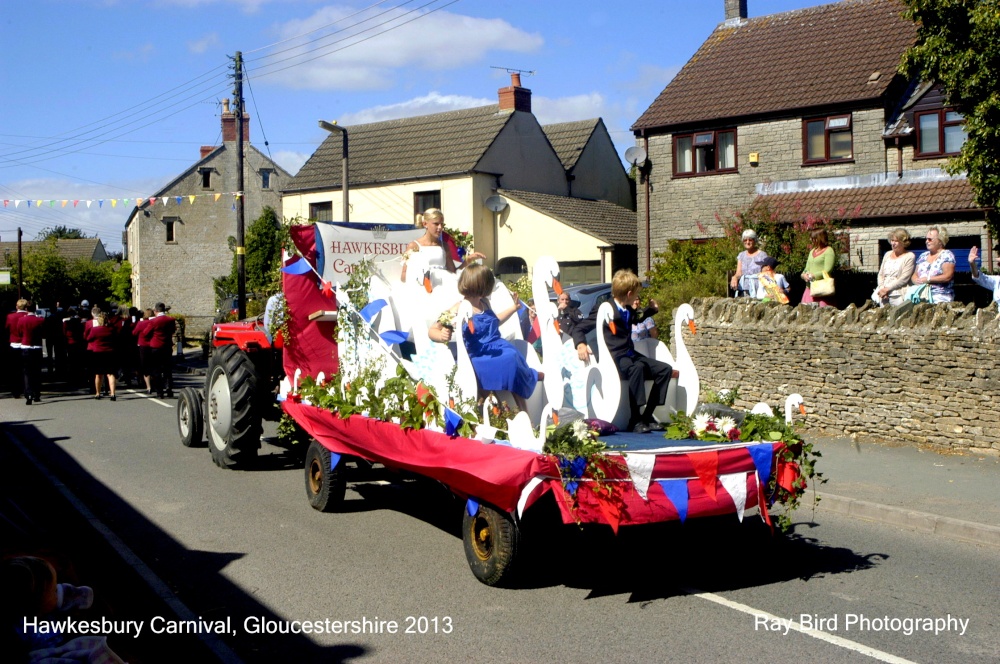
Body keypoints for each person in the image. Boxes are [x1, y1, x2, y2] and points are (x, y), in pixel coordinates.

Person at [571, 269, 676, 434]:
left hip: (630, 355)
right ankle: (634, 420)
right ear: (629, 294)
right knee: (637, 369)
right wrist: (580, 345)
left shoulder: (627, 308)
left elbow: (635, 318)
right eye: (636, 294)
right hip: (614, 358)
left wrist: (651, 310)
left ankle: (647, 416)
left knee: (665, 370)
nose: (637, 298)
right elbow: (580, 328)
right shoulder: (604, 308)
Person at [432, 264, 541, 411]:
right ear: (482, 286)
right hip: (477, 353)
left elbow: (494, 321)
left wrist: (514, 308)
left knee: (512, 354)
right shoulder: (459, 307)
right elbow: (432, 330)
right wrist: (441, 335)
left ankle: (524, 410)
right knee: (508, 359)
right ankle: (529, 379)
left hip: (496, 346)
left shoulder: (485, 303)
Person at [0, 555, 125, 663]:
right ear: (35, 606)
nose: (59, 590)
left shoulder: (40, 609)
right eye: (54, 591)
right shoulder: (26, 635)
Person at [399, 208, 485, 283]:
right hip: (423, 287)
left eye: (442, 224)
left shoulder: (444, 246)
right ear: (425, 224)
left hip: (444, 286)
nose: (440, 227)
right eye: (436, 224)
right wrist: (420, 274)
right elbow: (403, 276)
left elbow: (453, 272)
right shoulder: (414, 246)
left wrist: (468, 261)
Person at [911, 226, 956, 302]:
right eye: (926, 239)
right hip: (921, 295)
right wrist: (916, 280)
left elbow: (947, 276)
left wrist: (928, 279)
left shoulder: (947, 255)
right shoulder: (923, 256)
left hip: (940, 296)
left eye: (930, 239)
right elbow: (914, 274)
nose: (926, 241)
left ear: (940, 241)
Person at [84, 306, 118, 401]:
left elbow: (88, 338)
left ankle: (98, 393)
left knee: (98, 374)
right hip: (109, 352)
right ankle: (112, 393)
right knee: (110, 374)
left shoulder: (95, 330)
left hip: (97, 352)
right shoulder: (111, 329)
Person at [875, 228, 916, 306]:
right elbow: (880, 274)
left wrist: (887, 289)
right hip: (883, 295)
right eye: (892, 240)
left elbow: (904, 279)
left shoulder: (910, 256)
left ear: (903, 243)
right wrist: (882, 289)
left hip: (898, 294)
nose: (893, 243)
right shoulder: (887, 254)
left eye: (896, 241)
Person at [144, 302, 176, 398]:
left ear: (155, 311)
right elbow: (173, 331)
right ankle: (169, 388)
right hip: (167, 346)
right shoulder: (170, 320)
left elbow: (146, 333)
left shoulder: (153, 321)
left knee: (156, 370)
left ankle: (159, 392)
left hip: (156, 347)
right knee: (167, 369)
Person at [800, 228, 836, 307]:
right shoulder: (812, 251)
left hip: (822, 290)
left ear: (820, 238)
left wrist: (813, 275)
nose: (811, 240)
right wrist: (803, 275)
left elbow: (828, 270)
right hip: (809, 289)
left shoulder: (829, 251)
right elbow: (806, 268)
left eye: (813, 238)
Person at [19, 304, 46, 405]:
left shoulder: (22, 320)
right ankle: (37, 394)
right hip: (37, 347)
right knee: (37, 371)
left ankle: (28, 394)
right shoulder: (40, 320)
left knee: (27, 373)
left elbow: (20, 331)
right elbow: (43, 333)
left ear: (26, 309)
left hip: (26, 347)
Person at [730, 229, 769, 297]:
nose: (747, 242)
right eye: (745, 240)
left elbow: (766, 272)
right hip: (744, 288)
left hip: (758, 288)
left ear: (755, 241)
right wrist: (735, 277)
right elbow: (739, 272)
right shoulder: (741, 255)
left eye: (750, 240)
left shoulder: (762, 255)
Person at [5, 299, 30, 399]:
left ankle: (16, 390)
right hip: (25, 343)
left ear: (17, 307)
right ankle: (26, 389)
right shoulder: (27, 316)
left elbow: (7, 328)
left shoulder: (10, 317)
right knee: (26, 369)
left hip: (14, 343)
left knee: (15, 369)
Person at [133, 308, 154, 394]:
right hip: (153, 345)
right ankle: (155, 384)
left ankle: (148, 386)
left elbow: (134, 333)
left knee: (145, 367)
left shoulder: (140, 323)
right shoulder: (153, 323)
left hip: (143, 346)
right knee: (153, 366)